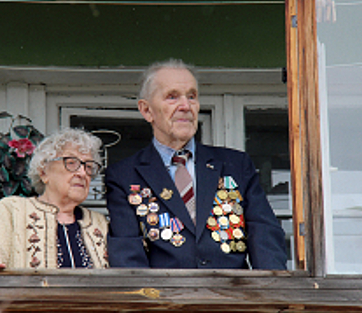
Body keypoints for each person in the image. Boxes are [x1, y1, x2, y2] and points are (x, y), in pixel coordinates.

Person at [106, 59, 287, 269]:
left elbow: (266, 239)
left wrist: (268, 298)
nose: (186, 106)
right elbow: (128, 257)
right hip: (165, 299)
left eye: (192, 96)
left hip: (235, 298)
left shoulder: (235, 165)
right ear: (147, 111)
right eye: (172, 97)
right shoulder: (124, 176)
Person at [0, 128, 109, 270]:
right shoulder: (12, 211)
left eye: (89, 166)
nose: (83, 173)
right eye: (71, 162)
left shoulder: (100, 223)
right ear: (43, 172)